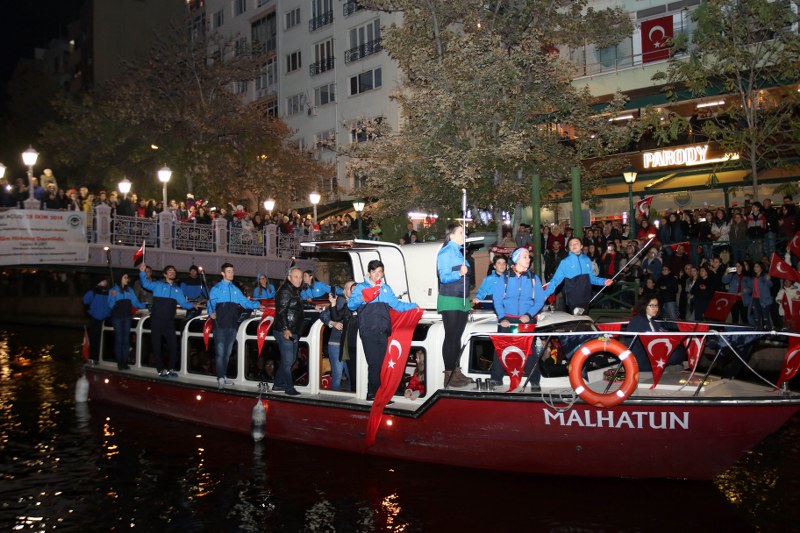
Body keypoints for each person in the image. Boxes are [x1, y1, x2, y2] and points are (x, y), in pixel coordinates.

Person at [348, 260, 418, 401]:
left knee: (382, 364)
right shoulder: (361, 287)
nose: (377, 275)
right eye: (374, 272)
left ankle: (380, 393)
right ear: (369, 273)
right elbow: (350, 305)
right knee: (375, 364)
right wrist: (363, 297)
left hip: (383, 331)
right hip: (368, 331)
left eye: (380, 272)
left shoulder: (386, 289)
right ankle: (373, 394)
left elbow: (397, 305)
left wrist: (413, 306)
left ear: (383, 273)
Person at [490, 248, 546, 387]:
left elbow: (540, 300)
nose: (528, 259)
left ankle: (534, 381)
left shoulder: (533, 278)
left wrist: (529, 314)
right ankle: (496, 379)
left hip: (526, 320)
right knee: (501, 348)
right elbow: (497, 299)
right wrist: (502, 317)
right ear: (516, 259)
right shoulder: (505, 277)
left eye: (528, 257)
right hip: (506, 320)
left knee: (530, 350)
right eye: (525, 256)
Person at [207, 263, 262, 389]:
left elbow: (244, 302)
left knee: (227, 353)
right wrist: (211, 313)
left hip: (232, 324)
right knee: (220, 353)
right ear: (223, 273)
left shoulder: (235, 289)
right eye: (229, 271)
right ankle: (220, 378)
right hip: (220, 324)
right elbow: (211, 304)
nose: (231, 273)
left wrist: (257, 305)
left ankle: (224, 376)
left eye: (232, 271)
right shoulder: (216, 288)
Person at [137, 263, 197, 377]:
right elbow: (145, 284)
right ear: (165, 274)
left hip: (169, 321)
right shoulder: (158, 285)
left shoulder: (177, 289)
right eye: (170, 271)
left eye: (174, 271)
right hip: (156, 319)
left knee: (173, 345)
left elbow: (184, 304)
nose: (172, 272)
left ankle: (170, 369)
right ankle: (160, 369)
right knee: (157, 345)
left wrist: (193, 305)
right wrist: (142, 272)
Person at [436, 224, 473, 387]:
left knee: (457, 336)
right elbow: (443, 277)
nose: (464, 235)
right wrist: (459, 272)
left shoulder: (459, 252)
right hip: (450, 297)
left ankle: (456, 371)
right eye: (461, 233)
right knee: (451, 336)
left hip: (462, 298)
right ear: (451, 236)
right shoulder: (445, 253)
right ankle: (449, 374)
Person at [542, 237, 612, 314]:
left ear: (581, 246)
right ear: (569, 248)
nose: (574, 245)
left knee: (583, 321)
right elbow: (555, 280)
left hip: (586, 296)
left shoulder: (586, 260)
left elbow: (591, 278)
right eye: (571, 244)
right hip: (573, 298)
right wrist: (545, 294)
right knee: (578, 320)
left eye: (576, 243)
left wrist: (604, 281)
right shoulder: (565, 262)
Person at [625, 297, 686, 371]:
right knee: (677, 354)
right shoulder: (639, 320)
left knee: (679, 349)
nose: (655, 308)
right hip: (641, 358)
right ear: (644, 306)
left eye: (656, 306)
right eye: (652, 306)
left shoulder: (652, 321)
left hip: (650, 353)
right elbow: (651, 343)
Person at [318, 280, 356, 391]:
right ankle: (335, 400)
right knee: (337, 376)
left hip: (349, 346)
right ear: (344, 291)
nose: (353, 290)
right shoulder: (341, 301)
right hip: (336, 344)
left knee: (352, 376)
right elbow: (324, 314)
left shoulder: (356, 302)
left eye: (354, 288)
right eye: (350, 288)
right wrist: (332, 323)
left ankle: (349, 401)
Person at [273, 267, 305, 395]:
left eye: (300, 277)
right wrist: (286, 329)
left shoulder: (294, 290)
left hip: (292, 330)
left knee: (290, 360)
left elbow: (296, 306)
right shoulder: (286, 291)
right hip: (285, 331)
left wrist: (315, 306)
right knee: (288, 361)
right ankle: (288, 387)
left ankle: (277, 385)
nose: (299, 279)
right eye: (296, 277)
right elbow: (281, 311)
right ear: (289, 278)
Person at [107, 273, 147, 370]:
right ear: (120, 279)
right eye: (125, 277)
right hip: (117, 317)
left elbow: (135, 302)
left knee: (126, 340)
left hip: (127, 317)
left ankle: (124, 361)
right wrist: (113, 297)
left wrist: (146, 306)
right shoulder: (113, 290)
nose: (127, 279)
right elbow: (110, 305)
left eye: (127, 277)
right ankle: (119, 362)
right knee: (119, 340)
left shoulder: (130, 290)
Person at [82, 279, 111, 364]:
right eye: (103, 280)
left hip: (106, 318)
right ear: (98, 282)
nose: (105, 282)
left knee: (105, 339)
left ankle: (104, 357)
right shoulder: (92, 292)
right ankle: (94, 358)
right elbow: (85, 301)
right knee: (95, 338)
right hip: (95, 318)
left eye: (106, 281)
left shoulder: (109, 292)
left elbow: (112, 302)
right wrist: (90, 312)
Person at [742, 261, 773, 329]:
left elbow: (771, 285)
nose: (755, 268)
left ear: (761, 268)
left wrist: (768, 279)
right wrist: (746, 290)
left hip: (764, 300)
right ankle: (759, 332)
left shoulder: (765, 276)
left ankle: (770, 333)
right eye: (754, 267)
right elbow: (752, 288)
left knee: (766, 317)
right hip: (755, 299)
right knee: (757, 317)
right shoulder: (753, 277)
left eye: (757, 266)